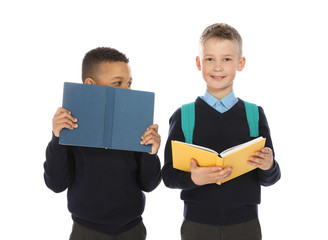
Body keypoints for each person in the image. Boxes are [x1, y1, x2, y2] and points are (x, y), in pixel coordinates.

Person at [162, 23, 281, 240]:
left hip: (246, 225)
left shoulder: (254, 114)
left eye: (226, 59)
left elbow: (270, 177)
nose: (218, 67)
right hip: (197, 225)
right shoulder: (184, 115)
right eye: (210, 59)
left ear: (240, 63)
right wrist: (194, 178)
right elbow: (168, 176)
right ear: (199, 63)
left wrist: (269, 165)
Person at [44, 47, 161, 240]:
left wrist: (151, 152)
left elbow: (149, 184)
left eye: (129, 83)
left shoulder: (135, 123)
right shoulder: (71, 125)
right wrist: (57, 138)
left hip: (132, 230)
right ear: (90, 85)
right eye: (118, 83)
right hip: (86, 231)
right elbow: (55, 183)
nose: (126, 90)